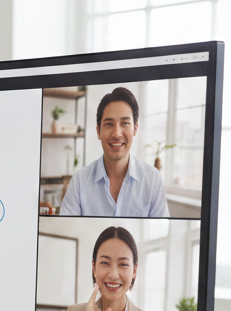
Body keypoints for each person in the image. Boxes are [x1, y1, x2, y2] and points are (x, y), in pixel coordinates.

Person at [59, 86, 169, 217]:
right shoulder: (79, 181)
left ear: (135, 128)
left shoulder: (152, 179)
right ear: (98, 131)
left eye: (125, 123)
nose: (117, 134)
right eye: (109, 124)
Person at [57, 225, 164, 311]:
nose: (113, 274)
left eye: (123, 264)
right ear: (94, 268)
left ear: (134, 270)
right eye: (105, 263)